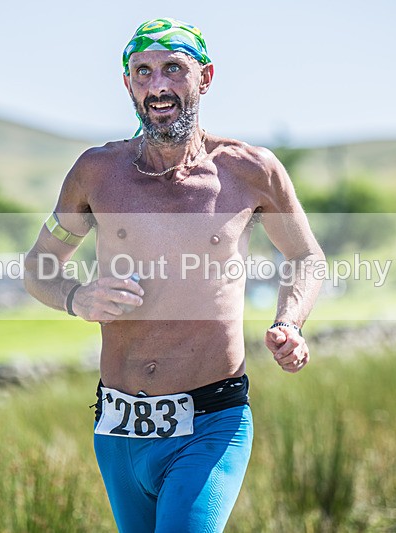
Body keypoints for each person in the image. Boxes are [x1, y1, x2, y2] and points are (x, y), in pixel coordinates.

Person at [24, 17, 324, 533]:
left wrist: (290, 321)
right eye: (142, 72)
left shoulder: (250, 171)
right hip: (117, 427)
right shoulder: (96, 173)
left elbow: (306, 258)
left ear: (204, 78)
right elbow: (38, 266)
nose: (157, 85)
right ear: (127, 84)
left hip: (211, 421)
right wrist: (78, 298)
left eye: (172, 69)